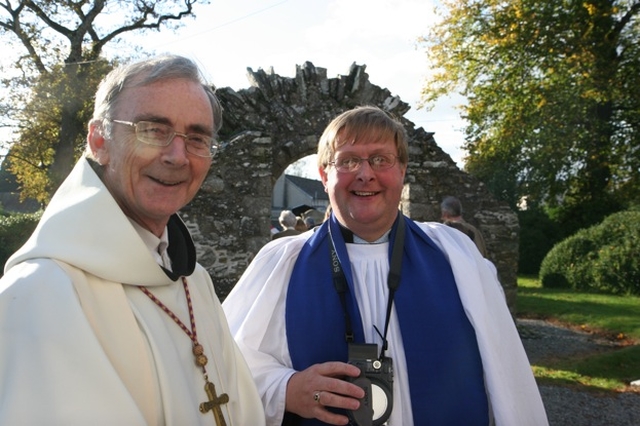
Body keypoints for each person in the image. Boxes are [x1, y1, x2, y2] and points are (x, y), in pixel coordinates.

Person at [223, 106, 548, 425]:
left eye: (381, 159)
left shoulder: (455, 256)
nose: (366, 173)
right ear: (324, 175)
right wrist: (287, 389)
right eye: (348, 160)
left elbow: (508, 377)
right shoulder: (282, 264)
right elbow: (226, 368)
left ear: (402, 171)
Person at [0, 55, 265, 425]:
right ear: (99, 141)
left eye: (197, 138)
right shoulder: (40, 291)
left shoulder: (194, 281)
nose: (177, 156)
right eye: (153, 130)